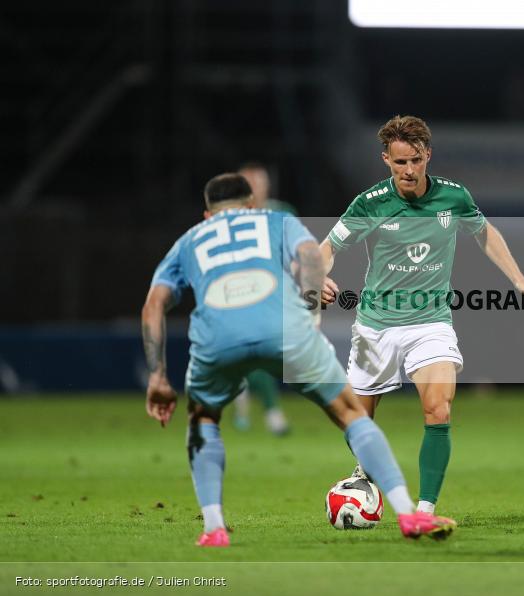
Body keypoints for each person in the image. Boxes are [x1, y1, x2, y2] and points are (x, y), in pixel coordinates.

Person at [142, 173, 456, 546]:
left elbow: (153, 305)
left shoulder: (189, 239)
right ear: (252, 206)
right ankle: (409, 515)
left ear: (208, 215)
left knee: (203, 420)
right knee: (352, 413)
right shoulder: (276, 221)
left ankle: (214, 529)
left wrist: (158, 375)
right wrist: (310, 303)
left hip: (216, 338)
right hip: (284, 329)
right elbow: (309, 258)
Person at [320, 115, 524, 515]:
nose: (409, 170)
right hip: (375, 325)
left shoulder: (454, 197)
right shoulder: (370, 203)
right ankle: (365, 472)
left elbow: (485, 233)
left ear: (428, 156)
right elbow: (327, 247)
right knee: (356, 423)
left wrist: (520, 280)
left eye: (417, 160)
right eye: (400, 162)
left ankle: (423, 510)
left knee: (438, 408)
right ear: (385, 159)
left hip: (431, 323)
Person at [229, 161, 294, 435]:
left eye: (260, 182)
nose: (255, 188)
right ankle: (273, 413)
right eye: (249, 183)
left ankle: (241, 389)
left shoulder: (283, 212)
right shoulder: (230, 218)